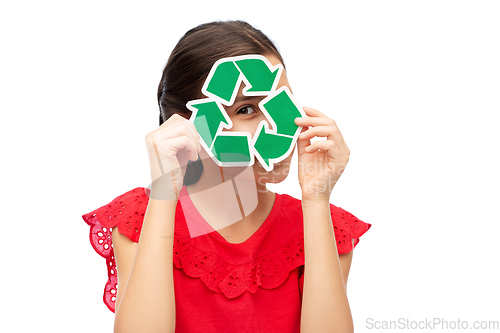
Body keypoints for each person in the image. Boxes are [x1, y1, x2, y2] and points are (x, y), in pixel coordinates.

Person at [82, 20, 371, 333]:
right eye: (245, 110)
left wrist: (316, 199)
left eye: (279, 102)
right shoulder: (139, 218)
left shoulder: (324, 224)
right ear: (187, 125)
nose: (277, 126)